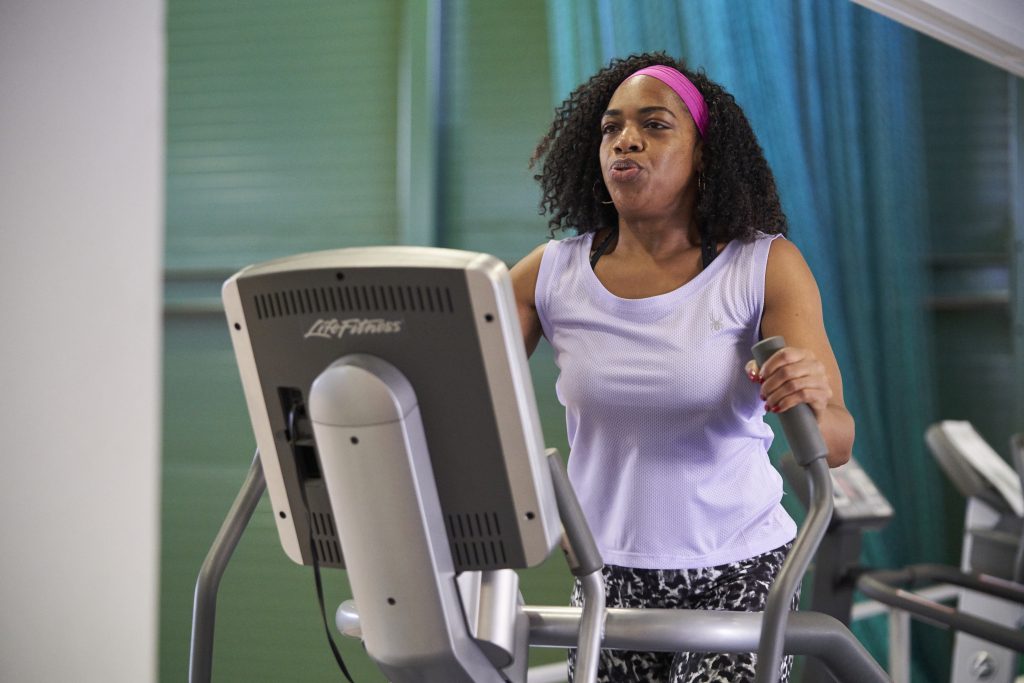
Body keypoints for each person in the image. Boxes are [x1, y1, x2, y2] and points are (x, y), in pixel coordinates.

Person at [510, 52, 854, 683]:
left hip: (741, 567)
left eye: (655, 124)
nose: (626, 139)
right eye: (611, 127)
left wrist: (809, 397)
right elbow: (452, 380)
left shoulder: (762, 266)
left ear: (703, 154)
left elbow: (834, 442)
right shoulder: (550, 273)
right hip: (604, 569)